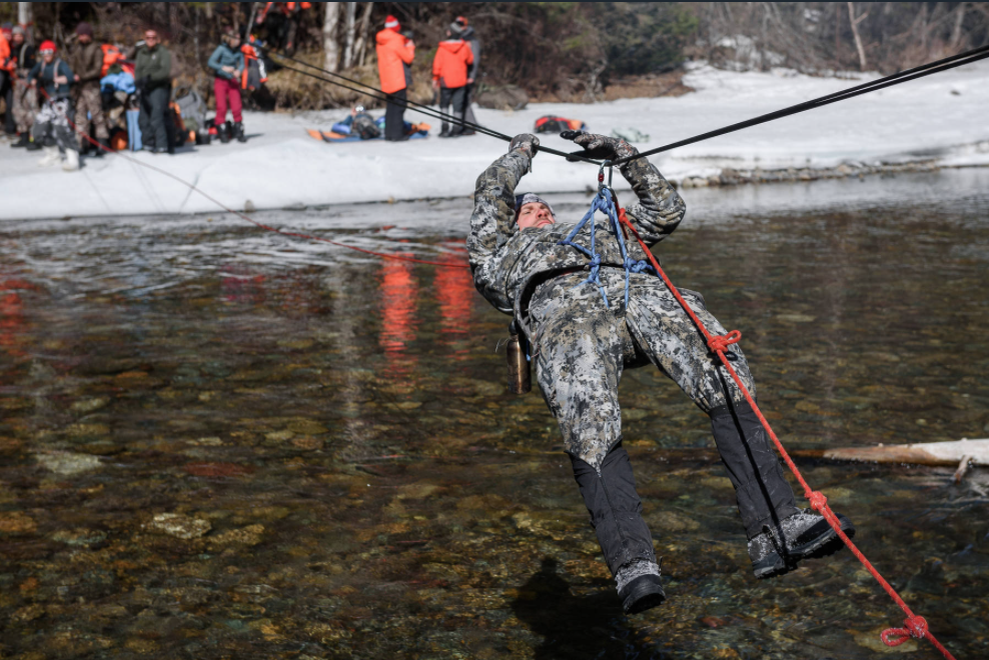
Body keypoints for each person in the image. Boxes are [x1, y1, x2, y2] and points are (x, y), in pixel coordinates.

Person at [466, 132, 857, 615]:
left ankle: (776, 527)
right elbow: (490, 193)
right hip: (566, 317)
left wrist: (625, 154)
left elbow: (667, 210)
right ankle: (633, 564)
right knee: (591, 428)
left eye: (546, 207)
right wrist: (519, 156)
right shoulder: (497, 256)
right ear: (512, 224)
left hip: (642, 297)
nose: (542, 211)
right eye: (530, 210)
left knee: (723, 372)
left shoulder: (603, 230)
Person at [27, 40, 80, 170]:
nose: (46, 55)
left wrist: (59, 80)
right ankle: (53, 155)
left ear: (54, 52)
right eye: (43, 52)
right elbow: (31, 74)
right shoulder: (42, 65)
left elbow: (71, 77)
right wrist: (32, 80)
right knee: (39, 128)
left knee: (62, 127)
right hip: (49, 101)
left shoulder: (60, 64)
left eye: (49, 52)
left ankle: (72, 157)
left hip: (62, 99)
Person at [67, 21, 109, 157]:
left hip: (92, 87)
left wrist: (81, 76)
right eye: (79, 35)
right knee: (80, 116)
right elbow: (72, 64)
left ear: (89, 35)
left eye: (83, 35)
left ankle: (102, 144)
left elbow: (97, 70)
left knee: (97, 115)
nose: (80, 38)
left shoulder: (96, 49)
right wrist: (71, 76)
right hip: (79, 88)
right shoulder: (77, 48)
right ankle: (81, 144)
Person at [375, 15, 415, 142]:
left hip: (386, 79)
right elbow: (408, 58)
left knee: (391, 107)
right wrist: (410, 46)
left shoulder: (381, 40)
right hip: (398, 78)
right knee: (399, 107)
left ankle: (389, 134)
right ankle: (397, 135)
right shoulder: (396, 39)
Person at [133, 28, 173, 154]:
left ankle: (162, 146)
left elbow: (165, 71)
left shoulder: (162, 52)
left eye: (153, 37)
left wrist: (150, 78)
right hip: (145, 88)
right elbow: (138, 69)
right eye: (148, 37)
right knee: (143, 118)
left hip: (159, 87)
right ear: (144, 39)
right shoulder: (141, 52)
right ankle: (147, 145)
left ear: (157, 39)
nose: (150, 40)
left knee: (156, 116)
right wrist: (139, 82)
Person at [431, 23, 473, 138]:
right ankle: (455, 130)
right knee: (457, 106)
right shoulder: (464, 47)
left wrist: (435, 78)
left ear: (449, 33)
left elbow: (437, 65)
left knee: (444, 105)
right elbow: (470, 60)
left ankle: (444, 129)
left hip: (445, 81)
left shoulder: (442, 48)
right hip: (460, 81)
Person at [207, 27, 246, 144]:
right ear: (230, 39)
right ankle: (222, 130)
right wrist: (223, 67)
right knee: (222, 107)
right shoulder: (222, 49)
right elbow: (211, 62)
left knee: (236, 106)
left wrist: (239, 70)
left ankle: (239, 130)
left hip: (232, 81)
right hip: (221, 80)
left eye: (239, 39)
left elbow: (242, 64)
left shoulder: (239, 50)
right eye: (236, 39)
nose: (238, 41)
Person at [5, 26, 38, 148]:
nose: (17, 38)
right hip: (18, 80)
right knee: (17, 107)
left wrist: (31, 78)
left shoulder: (28, 48)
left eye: (19, 35)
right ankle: (23, 135)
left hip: (27, 79)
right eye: (15, 35)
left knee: (31, 107)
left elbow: (34, 65)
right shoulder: (14, 49)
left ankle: (34, 136)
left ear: (23, 36)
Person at [453, 15, 480, 135]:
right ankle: (464, 125)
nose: (459, 26)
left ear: (466, 25)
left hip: (468, 76)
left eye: (461, 24)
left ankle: (470, 126)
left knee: (465, 100)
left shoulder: (472, 40)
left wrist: (472, 76)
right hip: (459, 75)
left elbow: (475, 60)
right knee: (460, 101)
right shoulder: (459, 39)